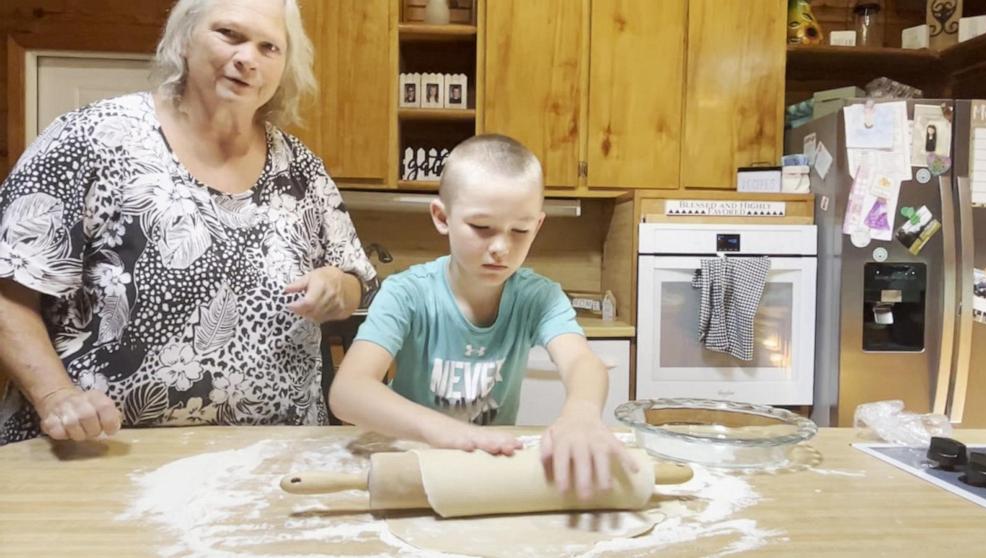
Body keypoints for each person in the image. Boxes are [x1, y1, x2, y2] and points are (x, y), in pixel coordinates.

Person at [0, 0, 377, 446]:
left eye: (268, 47)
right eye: (229, 35)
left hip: (270, 459)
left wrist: (338, 284)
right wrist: (57, 396)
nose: (247, 58)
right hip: (100, 453)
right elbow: (9, 288)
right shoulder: (88, 140)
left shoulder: (301, 171)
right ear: (184, 40)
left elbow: (355, 280)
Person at [329, 134, 637, 499]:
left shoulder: (538, 296)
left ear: (537, 226)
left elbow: (582, 363)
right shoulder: (407, 292)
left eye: (519, 231)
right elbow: (348, 391)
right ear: (442, 218)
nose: (501, 248)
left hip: (488, 469)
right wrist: (439, 430)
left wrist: (582, 414)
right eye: (481, 228)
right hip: (413, 461)